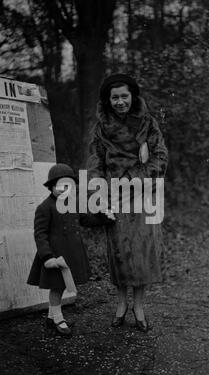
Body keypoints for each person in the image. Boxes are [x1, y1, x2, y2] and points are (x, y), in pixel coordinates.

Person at [87, 73, 168, 332]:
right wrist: (99, 190)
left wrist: (137, 178)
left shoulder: (148, 123)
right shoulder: (101, 128)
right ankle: (121, 304)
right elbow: (95, 161)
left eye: (124, 96)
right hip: (114, 198)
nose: (120, 101)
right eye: (115, 97)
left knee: (142, 252)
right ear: (107, 100)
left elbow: (160, 157)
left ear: (132, 97)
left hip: (142, 196)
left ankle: (139, 306)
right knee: (120, 253)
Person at [27, 163, 115, 337]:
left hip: (71, 253)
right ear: (51, 187)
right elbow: (40, 234)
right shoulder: (45, 208)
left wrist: (104, 216)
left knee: (60, 286)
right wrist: (47, 256)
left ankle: (52, 317)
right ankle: (58, 319)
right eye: (58, 186)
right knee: (57, 287)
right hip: (55, 255)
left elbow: (86, 220)